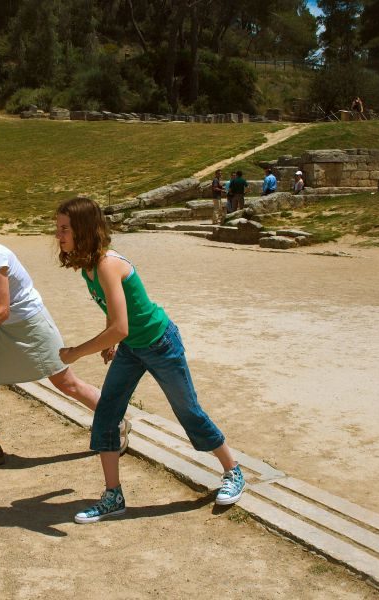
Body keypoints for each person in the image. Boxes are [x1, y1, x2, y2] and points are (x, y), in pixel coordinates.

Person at [54, 196, 246, 524]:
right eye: (57, 229)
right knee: (107, 414)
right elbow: (116, 315)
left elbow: (120, 325)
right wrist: (114, 341)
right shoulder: (87, 266)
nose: (58, 235)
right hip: (131, 348)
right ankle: (113, 496)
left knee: (189, 412)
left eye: (64, 229)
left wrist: (76, 352)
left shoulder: (106, 264)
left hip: (161, 344)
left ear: (83, 230)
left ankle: (234, 471)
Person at [0, 201, 131, 470]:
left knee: (66, 384)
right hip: (3, 328)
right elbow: (1, 312)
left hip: (30, 324)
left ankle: (117, 421)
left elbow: (3, 310)